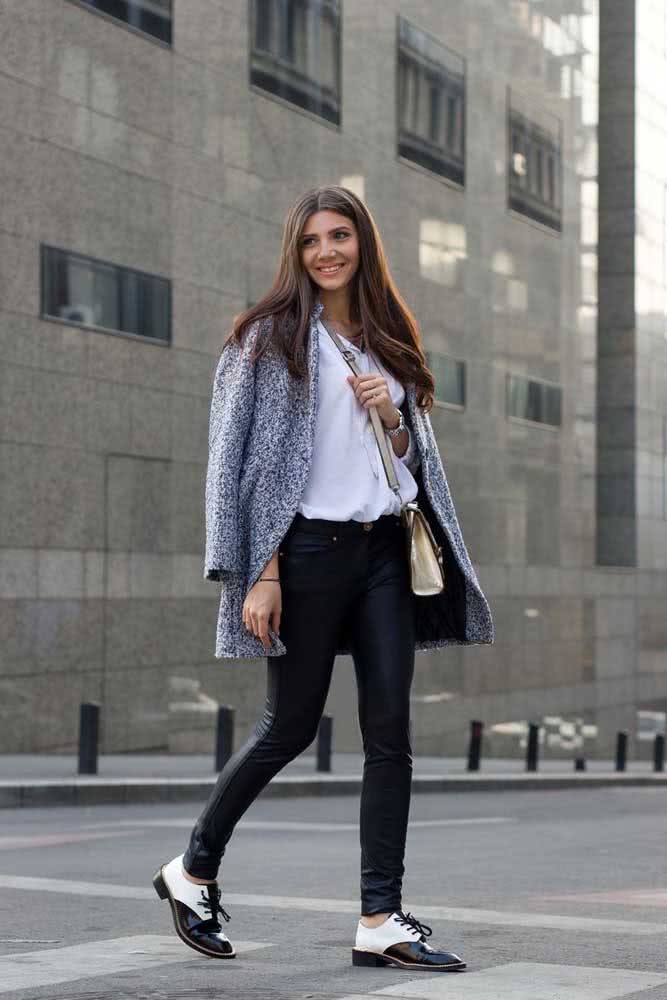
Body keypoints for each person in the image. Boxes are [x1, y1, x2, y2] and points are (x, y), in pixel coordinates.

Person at [153, 185, 494, 972]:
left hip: (382, 553)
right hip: (302, 553)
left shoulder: (388, 340)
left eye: (339, 236)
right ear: (295, 253)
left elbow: (412, 465)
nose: (327, 252)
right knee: (290, 725)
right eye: (311, 241)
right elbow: (231, 467)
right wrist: (255, 571)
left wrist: (395, 418)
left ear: (361, 244)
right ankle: (193, 867)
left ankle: (380, 916)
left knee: (390, 738)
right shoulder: (265, 339)